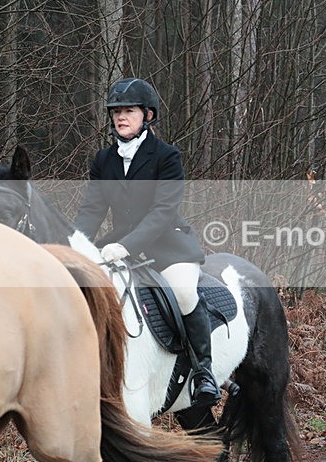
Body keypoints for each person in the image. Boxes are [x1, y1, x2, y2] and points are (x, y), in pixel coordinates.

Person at [75, 77, 220, 407]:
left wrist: (126, 245)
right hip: (118, 245)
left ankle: (203, 372)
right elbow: (92, 210)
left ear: (148, 115)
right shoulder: (104, 160)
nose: (120, 117)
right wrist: (73, 246)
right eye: (116, 112)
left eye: (128, 111)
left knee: (183, 292)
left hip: (167, 245)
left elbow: (163, 212)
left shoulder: (167, 156)